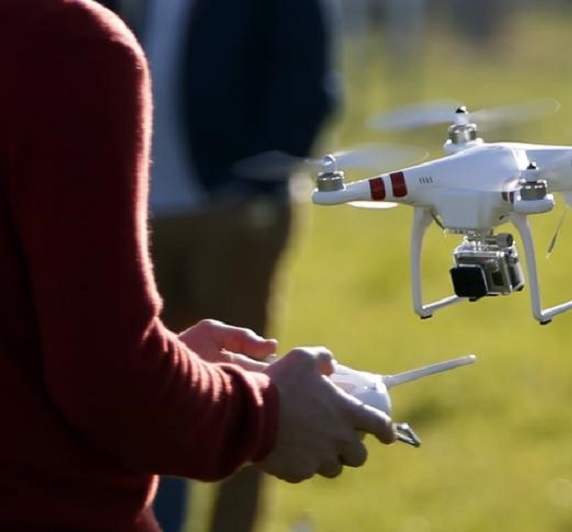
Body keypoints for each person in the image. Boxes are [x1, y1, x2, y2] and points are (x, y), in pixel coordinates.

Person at [0, 1, 394, 530]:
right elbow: (112, 378)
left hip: (227, 208)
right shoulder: (62, 40)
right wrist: (264, 416)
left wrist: (255, 187)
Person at [138, 0, 340, 529]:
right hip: (133, 214)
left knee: (249, 383)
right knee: (149, 385)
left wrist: (258, 186)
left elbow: (307, 79)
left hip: (231, 213)